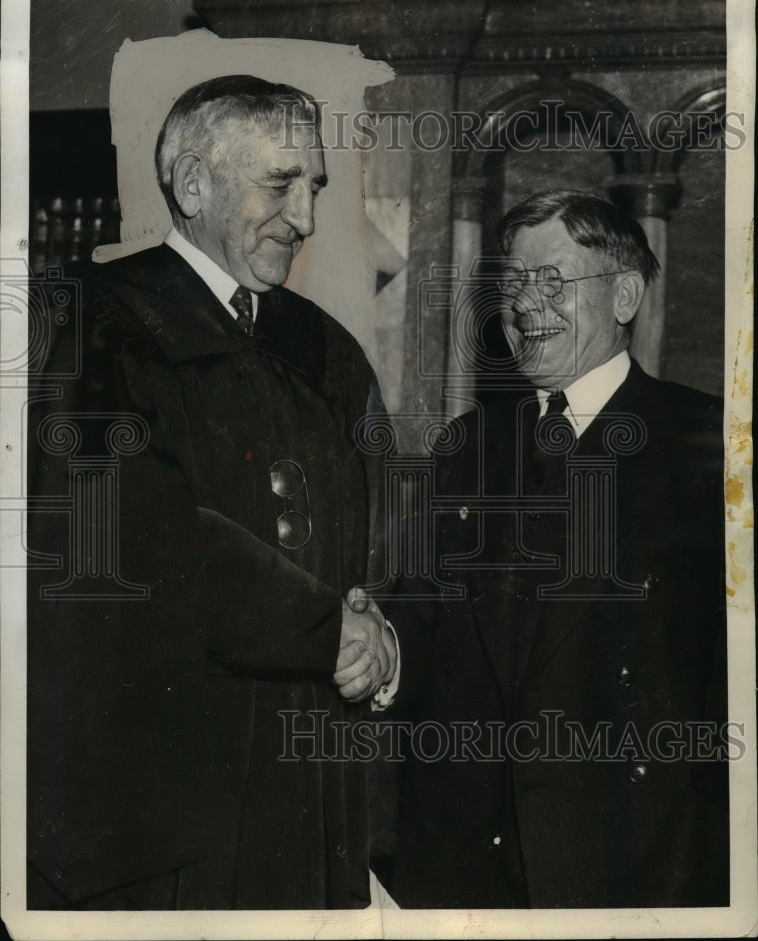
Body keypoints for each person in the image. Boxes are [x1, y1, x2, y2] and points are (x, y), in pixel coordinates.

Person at [26, 75, 396, 910]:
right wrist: (326, 625)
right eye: (280, 184)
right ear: (194, 184)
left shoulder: (323, 346)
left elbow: (386, 527)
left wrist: (383, 640)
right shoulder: (96, 323)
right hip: (164, 811)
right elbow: (130, 531)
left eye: (315, 188)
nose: (303, 217)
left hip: (308, 800)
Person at [387, 190, 728, 908]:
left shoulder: (710, 447)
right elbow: (414, 632)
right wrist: (375, 652)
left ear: (626, 295)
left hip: (634, 872)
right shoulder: (469, 451)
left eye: (553, 281)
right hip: (463, 879)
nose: (524, 305)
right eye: (513, 284)